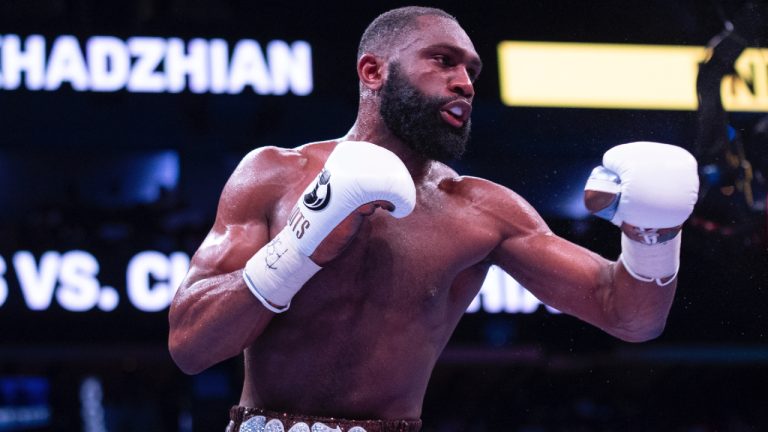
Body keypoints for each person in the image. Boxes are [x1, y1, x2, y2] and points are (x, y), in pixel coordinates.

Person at [168, 6, 699, 432]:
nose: (465, 82)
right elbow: (191, 347)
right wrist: (301, 242)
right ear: (373, 71)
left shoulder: (483, 209)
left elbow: (628, 315)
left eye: (471, 70)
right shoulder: (273, 174)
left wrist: (653, 234)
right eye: (443, 61)